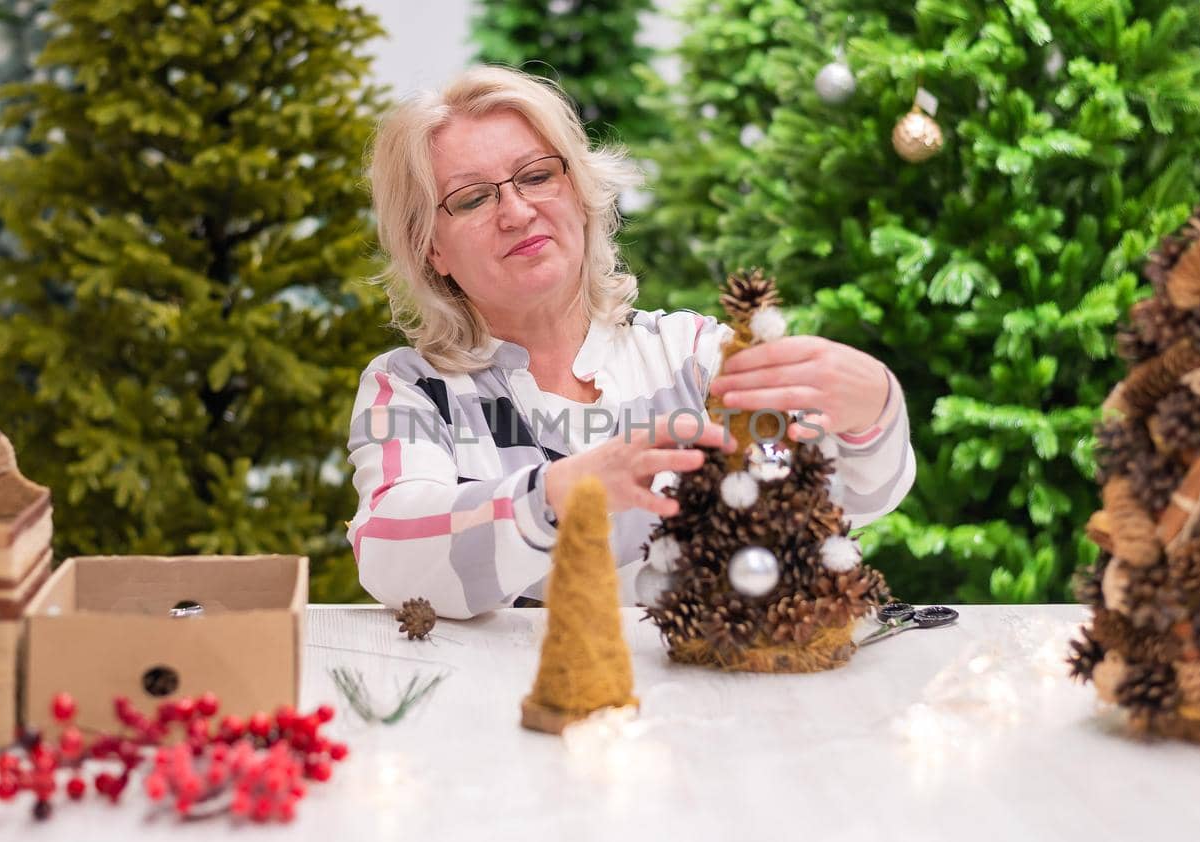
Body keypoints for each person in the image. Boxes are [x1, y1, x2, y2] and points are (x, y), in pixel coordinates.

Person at [349, 65, 914, 619]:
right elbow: (390, 553)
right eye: (473, 198)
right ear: (431, 249)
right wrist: (556, 496)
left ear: (580, 191)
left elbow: (839, 497)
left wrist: (875, 410)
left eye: (537, 176)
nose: (517, 212)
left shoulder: (689, 357)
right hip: (510, 708)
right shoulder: (412, 390)